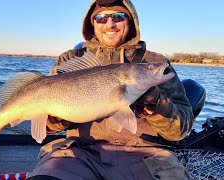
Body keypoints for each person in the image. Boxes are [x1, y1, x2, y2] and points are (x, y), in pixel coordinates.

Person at [27, 0, 194, 179]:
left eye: (118, 16)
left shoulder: (155, 61)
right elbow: (46, 127)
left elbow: (180, 131)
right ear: (92, 23)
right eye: (101, 18)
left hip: (146, 156)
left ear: (130, 21)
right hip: (78, 154)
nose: (110, 24)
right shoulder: (70, 60)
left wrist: (155, 104)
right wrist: (57, 116)